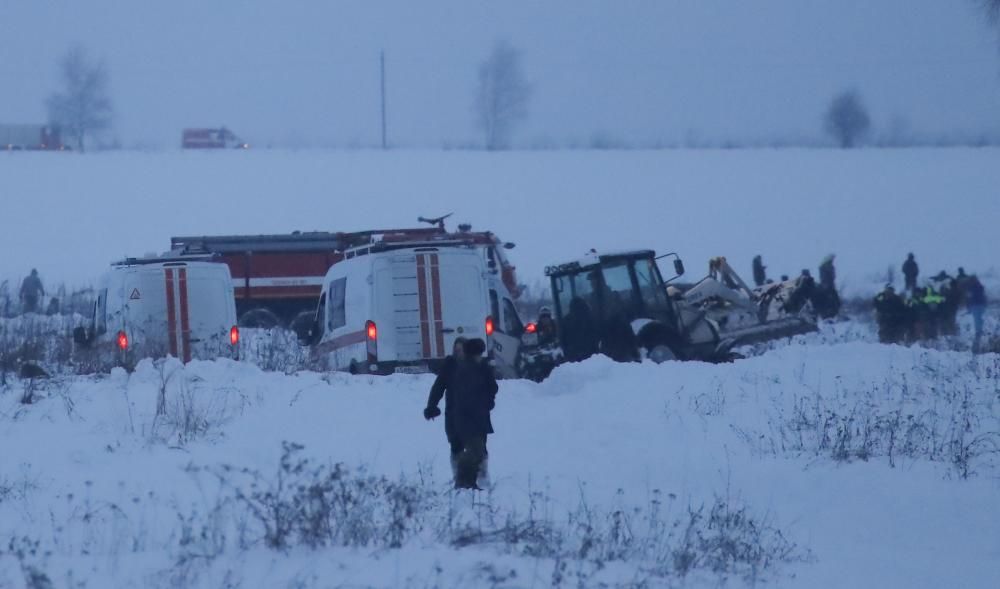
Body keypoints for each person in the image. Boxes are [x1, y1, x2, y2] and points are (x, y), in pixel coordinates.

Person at [424, 338, 498, 490]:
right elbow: (438, 387)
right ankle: (460, 477)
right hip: (453, 413)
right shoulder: (450, 366)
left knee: (479, 446)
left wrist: (488, 402)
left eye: (461, 349)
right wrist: (432, 406)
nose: (459, 352)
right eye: (456, 350)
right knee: (456, 446)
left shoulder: (480, 366)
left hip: (476, 414)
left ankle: (481, 476)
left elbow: (491, 387)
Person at [966, 275, 987, 349]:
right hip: (980, 305)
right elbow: (983, 296)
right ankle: (980, 331)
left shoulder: (972, 288)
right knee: (980, 319)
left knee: (977, 319)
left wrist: (969, 307)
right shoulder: (980, 286)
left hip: (975, 305)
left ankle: (978, 332)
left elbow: (970, 298)